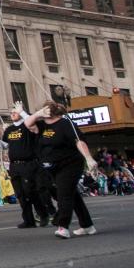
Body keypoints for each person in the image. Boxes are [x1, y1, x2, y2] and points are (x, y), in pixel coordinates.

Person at [24, 101, 98, 239]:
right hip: (52, 166)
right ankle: (87, 226)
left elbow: (79, 141)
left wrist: (88, 158)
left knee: (64, 194)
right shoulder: (42, 125)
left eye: (43, 110)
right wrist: (37, 114)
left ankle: (62, 226)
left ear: (49, 112)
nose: (41, 112)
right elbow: (28, 124)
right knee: (71, 195)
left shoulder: (66, 124)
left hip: (70, 164)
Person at [0, 101, 51, 228]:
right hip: (14, 165)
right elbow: (5, 145)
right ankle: (28, 219)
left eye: (15, 111)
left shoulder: (27, 126)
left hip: (28, 163)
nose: (12, 114)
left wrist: (22, 111)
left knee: (30, 191)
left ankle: (43, 214)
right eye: (11, 112)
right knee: (21, 194)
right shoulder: (9, 130)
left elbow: (32, 122)